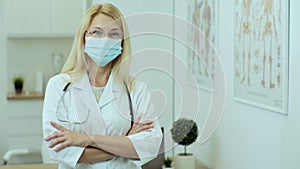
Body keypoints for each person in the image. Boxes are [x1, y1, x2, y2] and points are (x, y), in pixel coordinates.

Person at [42, 3, 163, 169]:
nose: (105, 39)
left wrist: (86, 139)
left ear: (122, 42)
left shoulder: (136, 89)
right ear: (83, 37)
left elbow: (150, 146)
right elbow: (58, 150)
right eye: (96, 32)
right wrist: (125, 144)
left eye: (114, 34)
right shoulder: (59, 86)